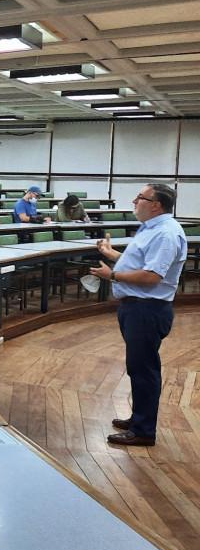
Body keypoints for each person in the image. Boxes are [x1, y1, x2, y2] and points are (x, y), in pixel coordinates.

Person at [87, 184, 186, 447]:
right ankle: (138, 418)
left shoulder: (165, 234)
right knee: (138, 368)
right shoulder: (152, 228)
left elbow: (152, 276)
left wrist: (113, 275)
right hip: (137, 307)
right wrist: (112, 255)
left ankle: (143, 430)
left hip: (147, 309)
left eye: (140, 197)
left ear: (155, 204)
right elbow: (143, 263)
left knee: (144, 370)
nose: (134, 201)